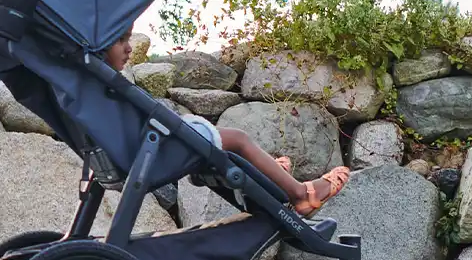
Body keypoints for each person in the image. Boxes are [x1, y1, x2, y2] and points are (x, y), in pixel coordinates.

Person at [103, 31, 349, 214]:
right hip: (149, 151)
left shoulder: (91, 87)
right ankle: (302, 194)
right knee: (238, 139)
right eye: (120, 40)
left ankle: (268, 174)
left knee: (221, 140)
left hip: (137, 151)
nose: (129, 48)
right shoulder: (108, 83)